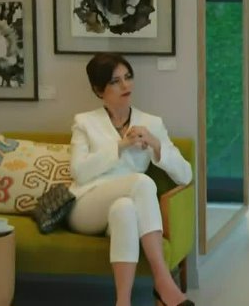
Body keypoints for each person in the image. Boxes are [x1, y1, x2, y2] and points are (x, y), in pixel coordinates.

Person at [67, 53, 195, 306]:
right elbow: (79, 172)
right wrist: (121, 145)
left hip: (125, 205)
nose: (125, 85)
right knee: (142, 182)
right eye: (115, 81)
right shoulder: (84, 122)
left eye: (128, 77)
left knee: (125, 209)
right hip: (86, 206)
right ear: (99, 90)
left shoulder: (151, 123)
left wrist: (156, 144)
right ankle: (163, 280)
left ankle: (123, 301)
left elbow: (185, 175)